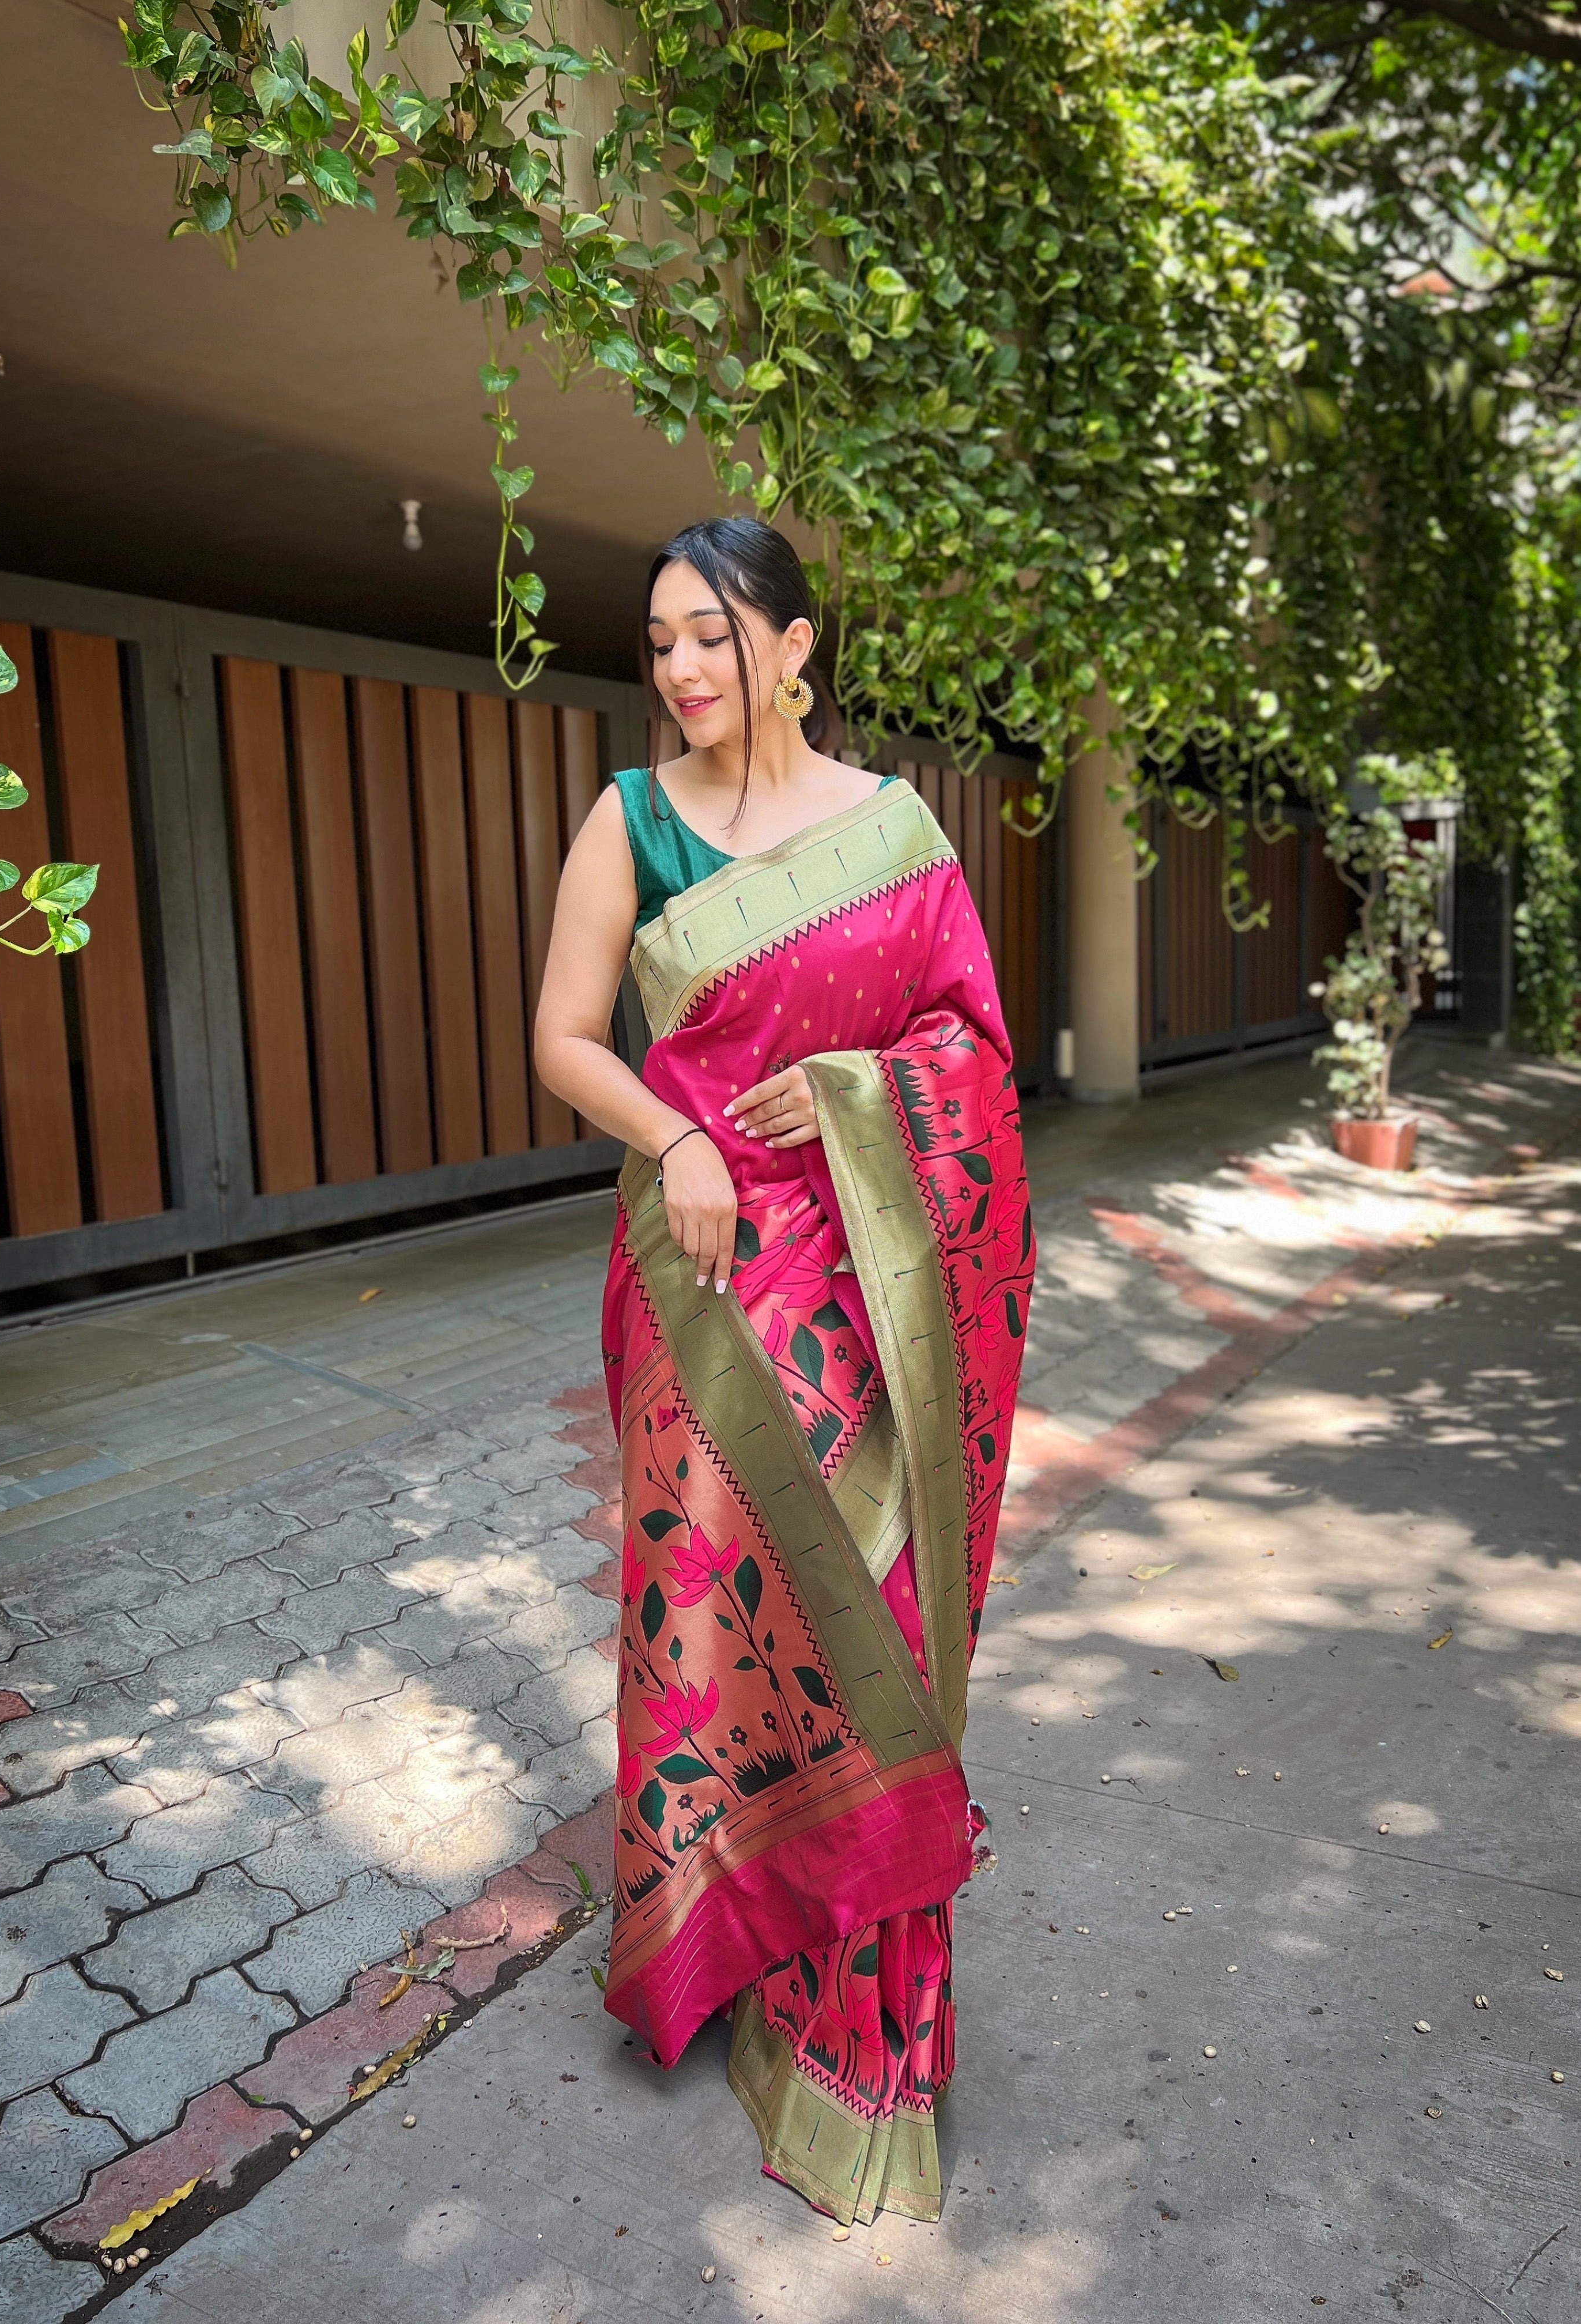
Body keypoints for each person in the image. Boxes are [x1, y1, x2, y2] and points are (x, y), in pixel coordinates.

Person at [534, 516, 1034, 2227]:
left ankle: (858, 2012)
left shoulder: (894, 832)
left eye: (713, 639)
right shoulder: (635, 822)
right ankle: (730, 1938)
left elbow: (968, 1052)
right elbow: (563, 1038)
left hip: (871, 1282)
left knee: (867, 1622)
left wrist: (844, 1092)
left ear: (797, 648)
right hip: (703, 1283)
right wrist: (676, 1134)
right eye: (660, 641)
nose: (680, 671)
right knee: (709, 1620)